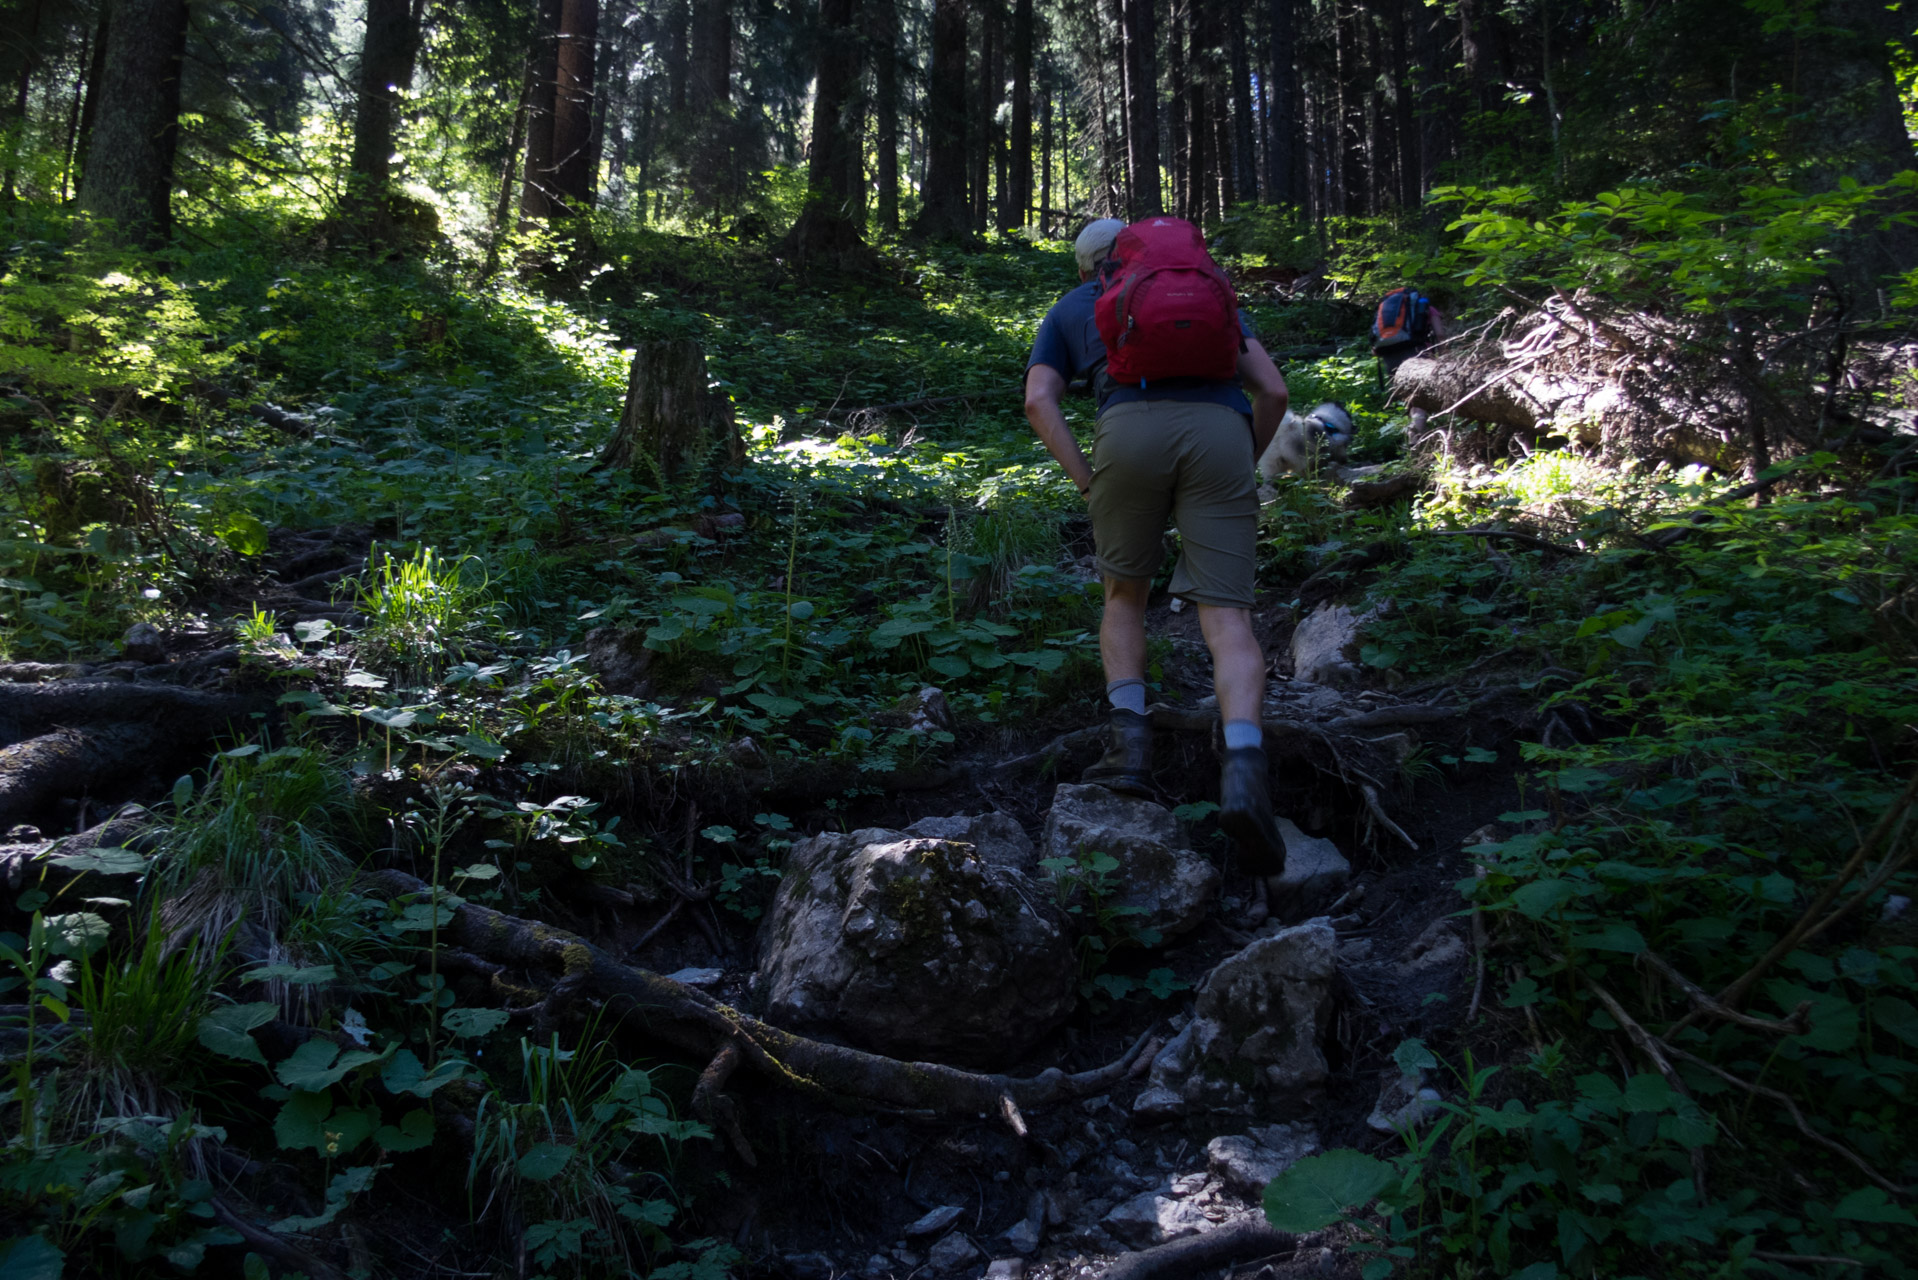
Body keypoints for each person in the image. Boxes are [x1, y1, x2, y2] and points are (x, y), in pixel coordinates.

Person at [1022, 218, 1291, 875]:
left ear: (1086, 266)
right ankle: (1245, 774)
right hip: (1221, 432)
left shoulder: (1074, 305)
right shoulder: (1213, 293)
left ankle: (1130, 751)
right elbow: (1275, 390)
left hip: (1128, 431)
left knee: (1124, 595)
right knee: (1228, 616)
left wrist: (1087, 479)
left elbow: (1038, 399)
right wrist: (1242, 458)